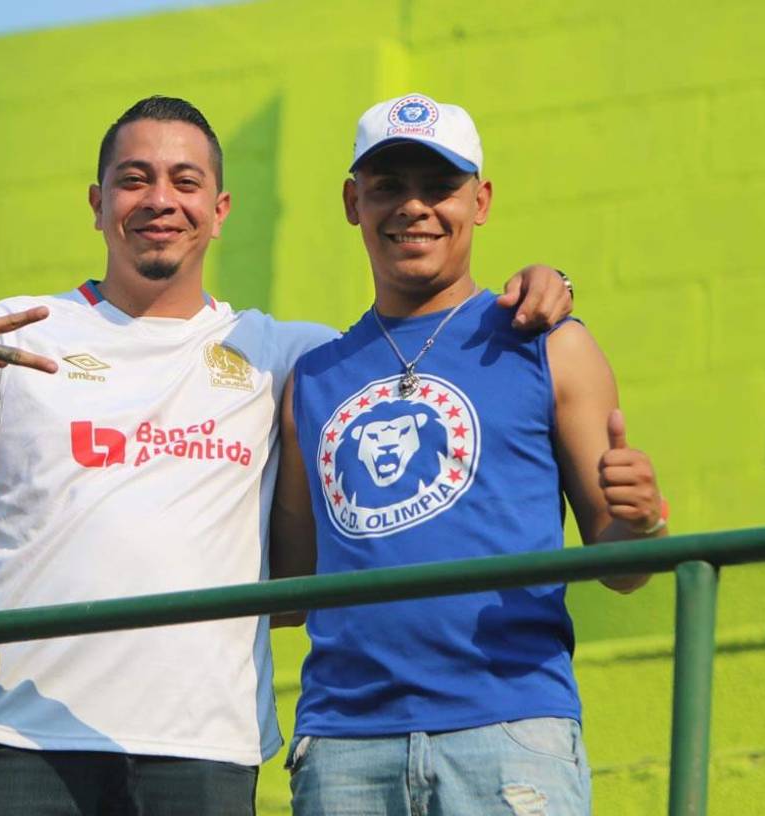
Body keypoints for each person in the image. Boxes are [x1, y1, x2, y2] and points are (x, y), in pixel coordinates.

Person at [0, 96, 573, 816]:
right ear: (97, 204)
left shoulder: (293, 358)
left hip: (205, 752)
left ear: (219, 210)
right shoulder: (24, 330)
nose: (161, 200)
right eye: (135, 179)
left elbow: (421, 337)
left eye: (185, 182)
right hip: (18, 739)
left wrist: (547, 284)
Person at [273, 93, 668, 816]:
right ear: (351, 201)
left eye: (440, 186)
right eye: (389, 186)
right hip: (344, 745)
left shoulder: (551, 341)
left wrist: (642, 524)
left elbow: (626, 568)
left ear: (480, 200)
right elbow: (288, 592)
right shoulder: (314, 377)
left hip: (511, 729)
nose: (414, 207)